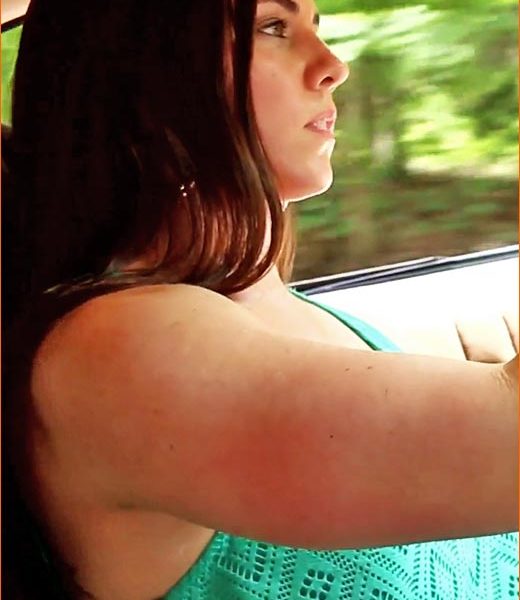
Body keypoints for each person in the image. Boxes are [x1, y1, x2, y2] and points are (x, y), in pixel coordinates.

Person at [3, 0, 518, 598]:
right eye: (273, 27)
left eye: (316, 26)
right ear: (145, 76)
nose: (333, 66)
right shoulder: (123, 349)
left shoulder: (291, 312)